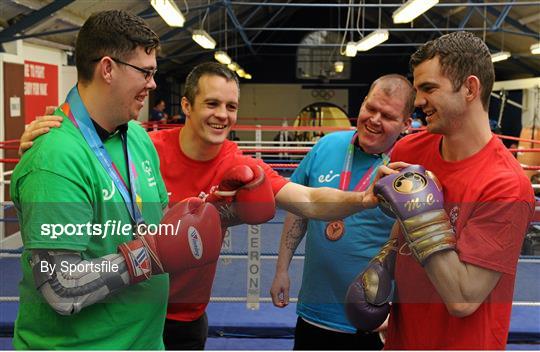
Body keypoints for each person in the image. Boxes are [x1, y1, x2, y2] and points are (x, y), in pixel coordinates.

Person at [19, 62, 400, 350]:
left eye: (231, 106)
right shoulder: (141, 148)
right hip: (124, 309)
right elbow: (82, 147)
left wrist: (363, 199)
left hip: (186, 315)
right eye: (212, 103)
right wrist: (50, 135)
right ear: (186, 104)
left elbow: (308, 199)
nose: (223, 114)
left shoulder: (237, 164)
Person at [347, 31, 534, 350]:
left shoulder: (507, 185)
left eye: (429, 89)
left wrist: (421, 213)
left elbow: (463, 299)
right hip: (402, 341)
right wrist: (384, 263)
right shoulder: (411, 149)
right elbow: (402, 228)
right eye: (418, 89)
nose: (418, 101)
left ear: (470, 89)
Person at [269, 74, 414, 350]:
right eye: (370, 108)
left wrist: (400, 306)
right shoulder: (326, 146)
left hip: (372, 323)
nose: (374, 119)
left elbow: (416, 245)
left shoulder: (405, 170)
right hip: (314, 314)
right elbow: (298, 210)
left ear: (406, 124)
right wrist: (281, 270)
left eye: (387, 115)